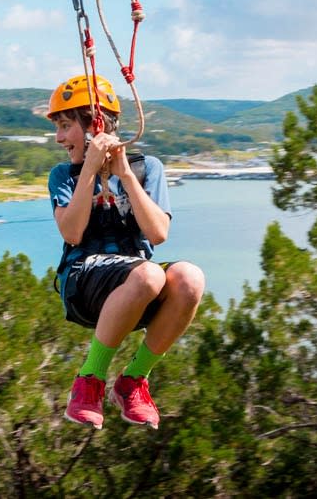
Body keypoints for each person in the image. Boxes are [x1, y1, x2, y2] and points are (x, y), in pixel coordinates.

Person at [46, 74, 205, 430]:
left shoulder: (147, 168)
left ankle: (132, 381)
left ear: (94, 126)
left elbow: (157, 233)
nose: (59, 138)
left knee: (190, 279)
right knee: (149, 275)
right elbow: (72, 232)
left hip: (134, 285)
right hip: (83, 283)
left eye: (66, 126)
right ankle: (89, 381)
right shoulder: (63, 176)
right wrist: (90, 168)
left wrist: (125, 175)